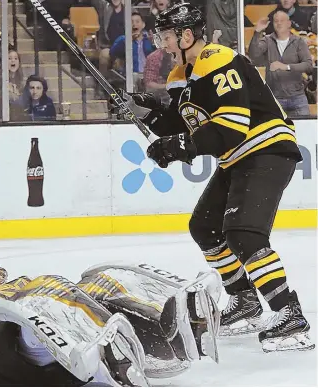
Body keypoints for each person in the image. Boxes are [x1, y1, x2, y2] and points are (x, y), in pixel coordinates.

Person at [111, 2, 314, 353]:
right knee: (204, 226)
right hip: (237, 158)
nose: (162, 42)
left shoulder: (219, 59)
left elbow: (231, 128)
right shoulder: (181, 75)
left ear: (188, 35)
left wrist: (177, 147)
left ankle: (288, 313)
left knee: (243, 233)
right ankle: (245, 302)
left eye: (167, 35)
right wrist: (143, 107)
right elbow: (181, 123)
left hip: (264, 150)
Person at [0, 259, 222, 387]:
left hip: (62, 350)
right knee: (38, 295)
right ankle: (108, 360)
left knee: (100, 278)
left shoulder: (35, 285)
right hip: (9, 356)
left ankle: (173, 334)